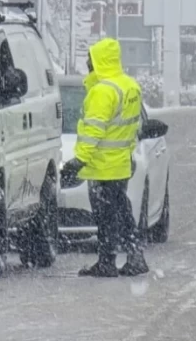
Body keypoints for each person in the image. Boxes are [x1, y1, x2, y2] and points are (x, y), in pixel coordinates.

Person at [61, 37, 149, 278]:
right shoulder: (129, 86)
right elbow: (130, 127)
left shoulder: (103, 91)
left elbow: (93, 130)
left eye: (90, 59)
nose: (88, 63)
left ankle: (107, 262)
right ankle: (134, 255)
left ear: (100, 61)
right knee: (121, 210)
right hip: (120, 162)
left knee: (105, 215)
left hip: (102, 166)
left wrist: (78, 160)